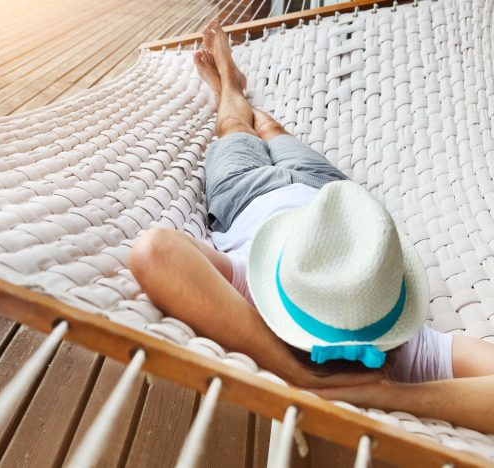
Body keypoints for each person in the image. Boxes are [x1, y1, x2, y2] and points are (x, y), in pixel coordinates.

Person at [128, 21, 494, 432]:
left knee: (236, 127)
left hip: (246, 194)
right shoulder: (404, 344)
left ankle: (227, 88)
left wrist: (299, 370)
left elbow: (153, 251)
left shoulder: (260, 296)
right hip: (329, 196)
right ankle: (233, 82)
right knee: (274, 130)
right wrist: (376, 389)